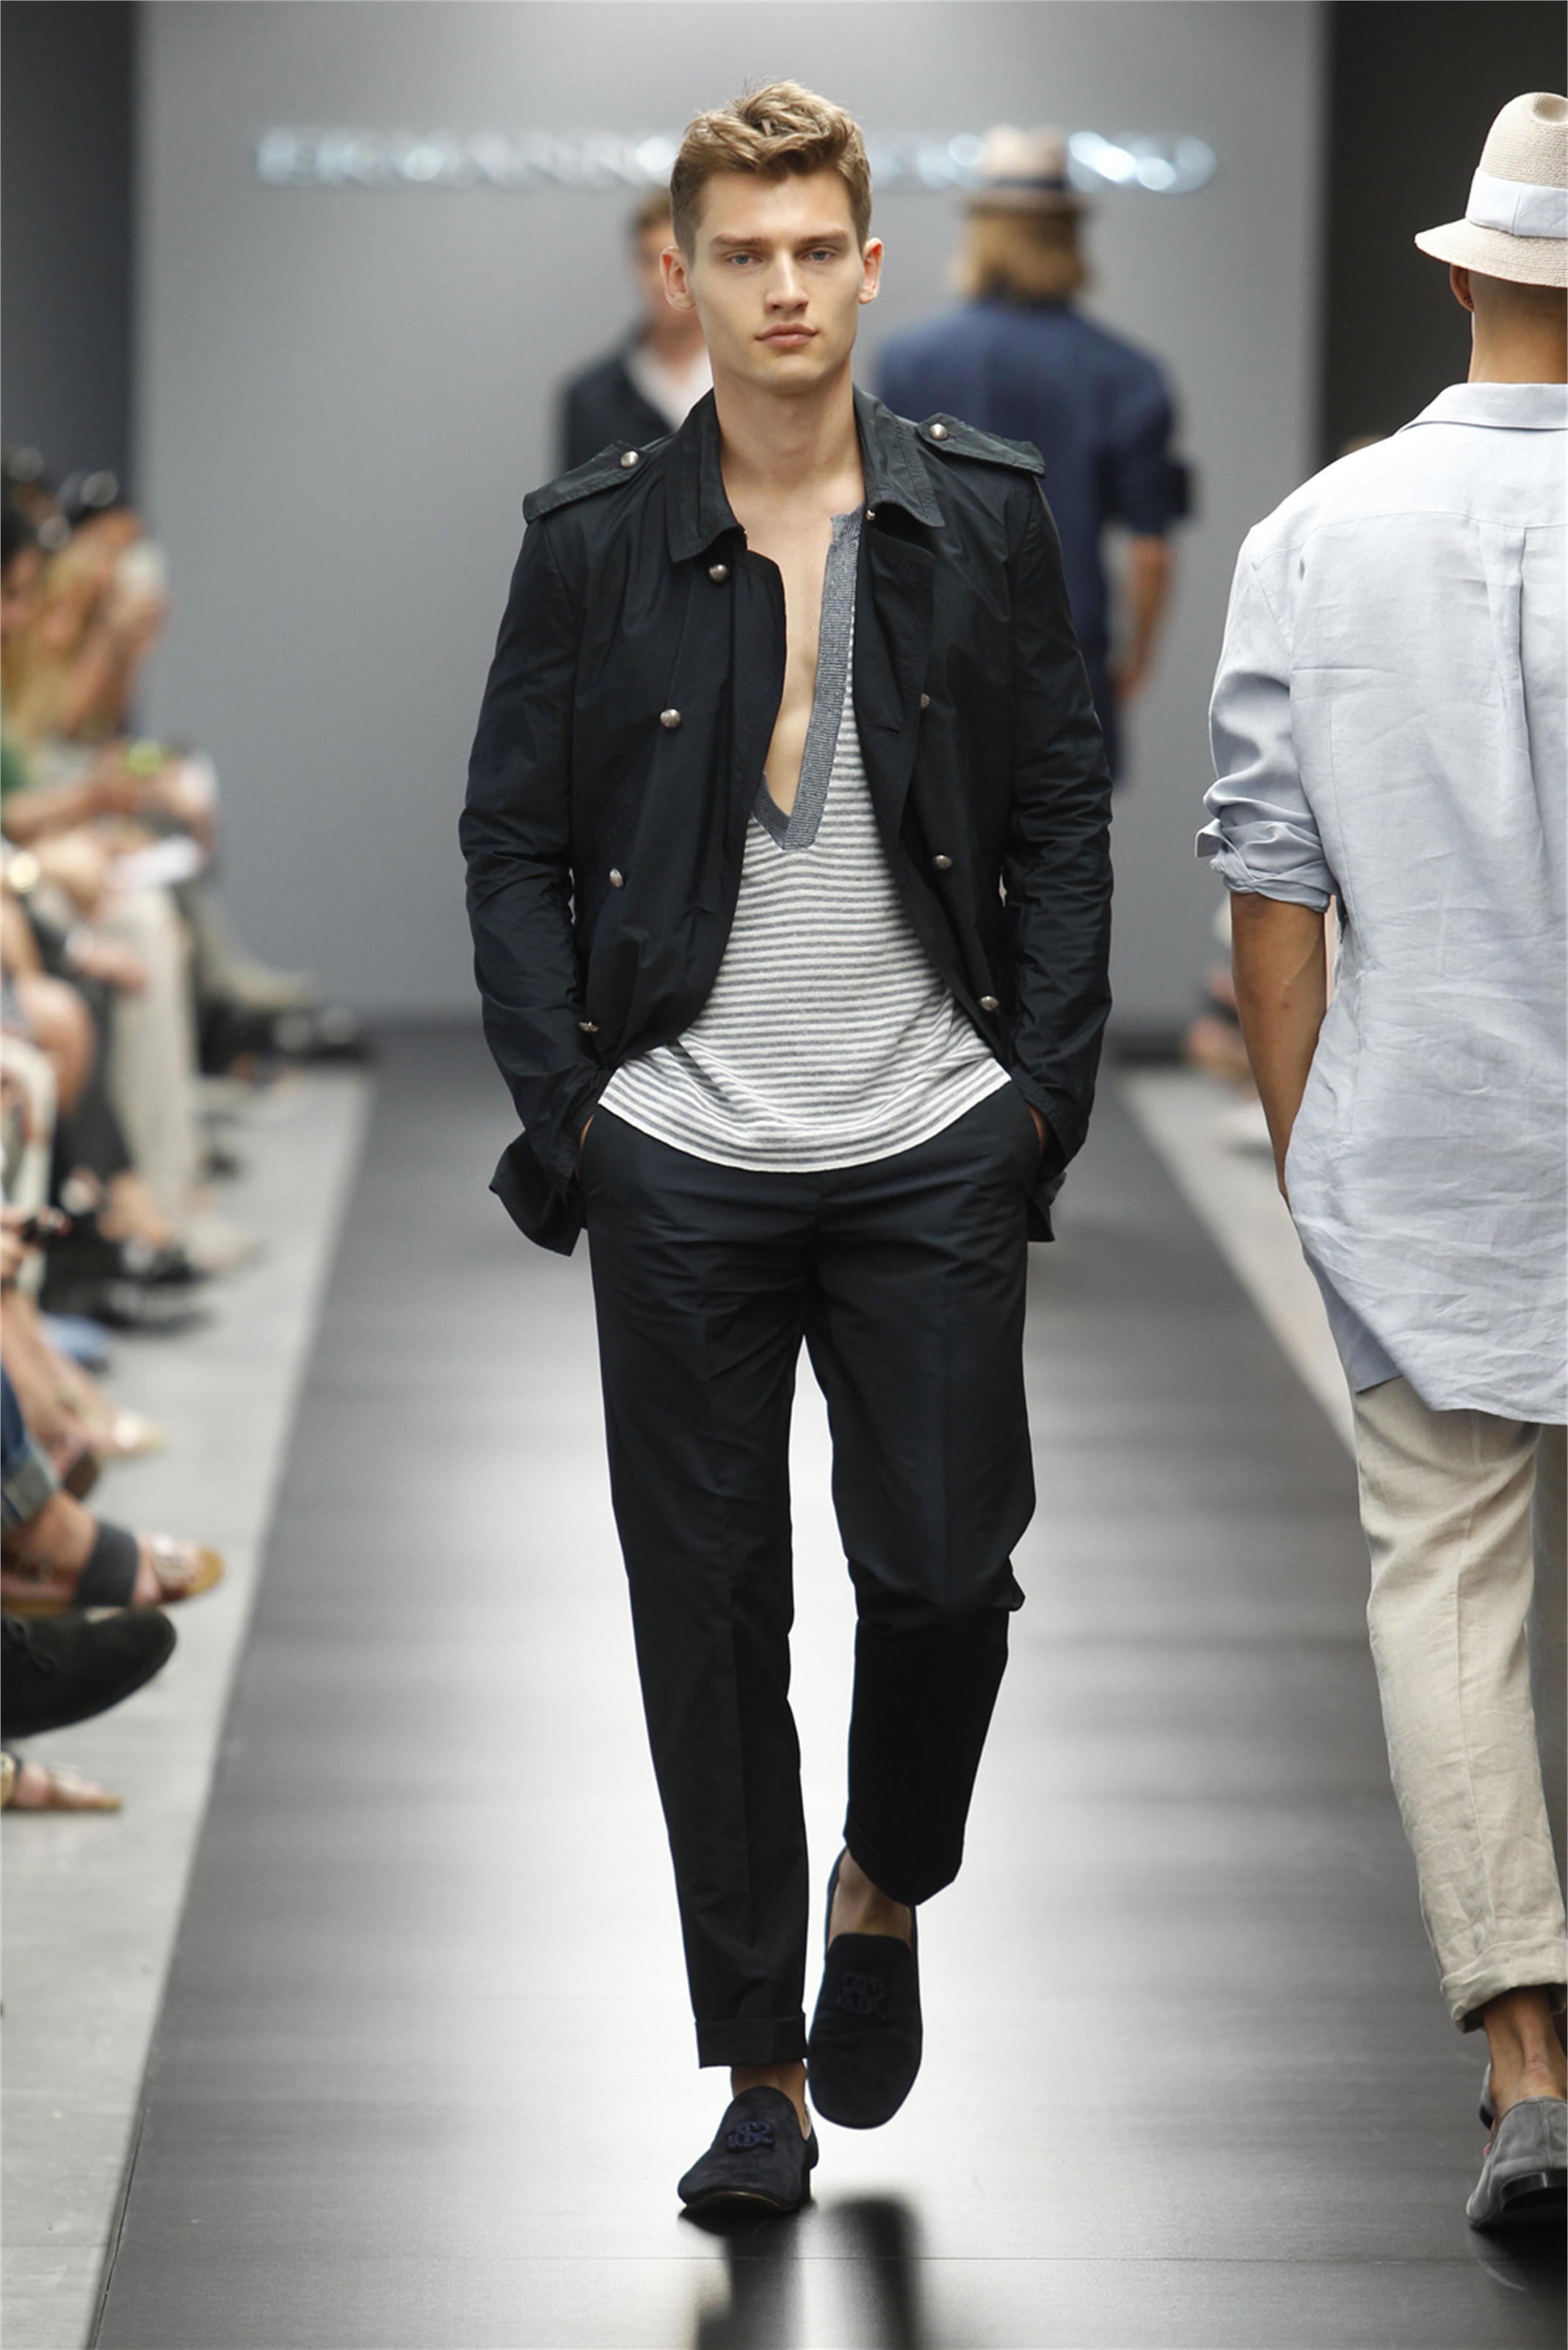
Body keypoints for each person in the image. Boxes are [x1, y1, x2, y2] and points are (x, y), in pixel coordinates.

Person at [464, 82, 1111, 2213]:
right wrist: (577, 1114)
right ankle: (759, 2068)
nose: (782, 287)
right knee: (709, 1611)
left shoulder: (979, 517)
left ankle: (883, 1880)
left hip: (929, 1130)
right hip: (682, 1148)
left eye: (817, 247)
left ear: (872, 262)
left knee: (944, 1578)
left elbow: (1061, 810)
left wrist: (1037, 1097)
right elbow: (510, 838)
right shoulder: (592, 541)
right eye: (741, 252)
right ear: (683, 272)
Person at [1199, 92, 1567, 2232]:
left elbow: (1275, 891)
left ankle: (1527, 2057)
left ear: (1454, 275)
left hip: (1421, 1139)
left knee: (1446, 1587)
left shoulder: (1317, 537)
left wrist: (1309, 1159)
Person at [878, 128, 1188, 780]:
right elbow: (1151, 548)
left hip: (936, 655)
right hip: (1069, 653)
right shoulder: (1128, 374)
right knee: (1063, 832)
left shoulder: (910, 363)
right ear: (1070, 234)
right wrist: (1136, 660)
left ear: (980, 232)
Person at [557, 189, 713, 471]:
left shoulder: (752, 381)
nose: (662, 279)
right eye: (650, 260)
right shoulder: (592, 399)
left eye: (679, 261)